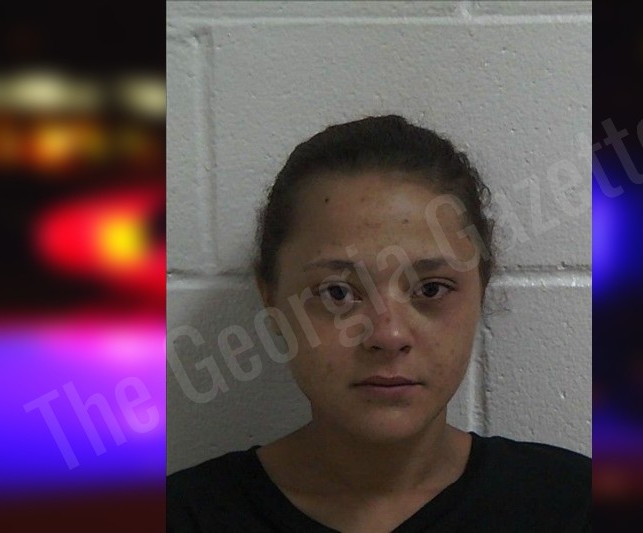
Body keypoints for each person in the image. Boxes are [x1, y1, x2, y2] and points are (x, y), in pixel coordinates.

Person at [167, 115, 591, 532]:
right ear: (271, 300)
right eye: (337, 292)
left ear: (480, 292)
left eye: (431, 289)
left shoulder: (572, 506)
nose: (388, 336)